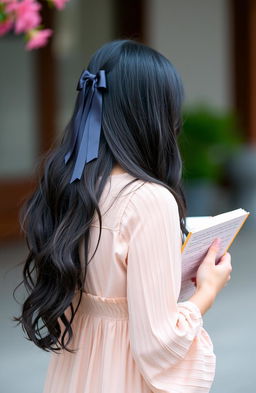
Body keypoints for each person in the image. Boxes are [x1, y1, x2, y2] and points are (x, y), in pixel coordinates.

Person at [13, 39, 232, 393]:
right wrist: (207, 288)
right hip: (123, 376)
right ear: (155, 114)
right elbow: (158, 345)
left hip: (76, 374)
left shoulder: (71, 184)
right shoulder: (149, 200)